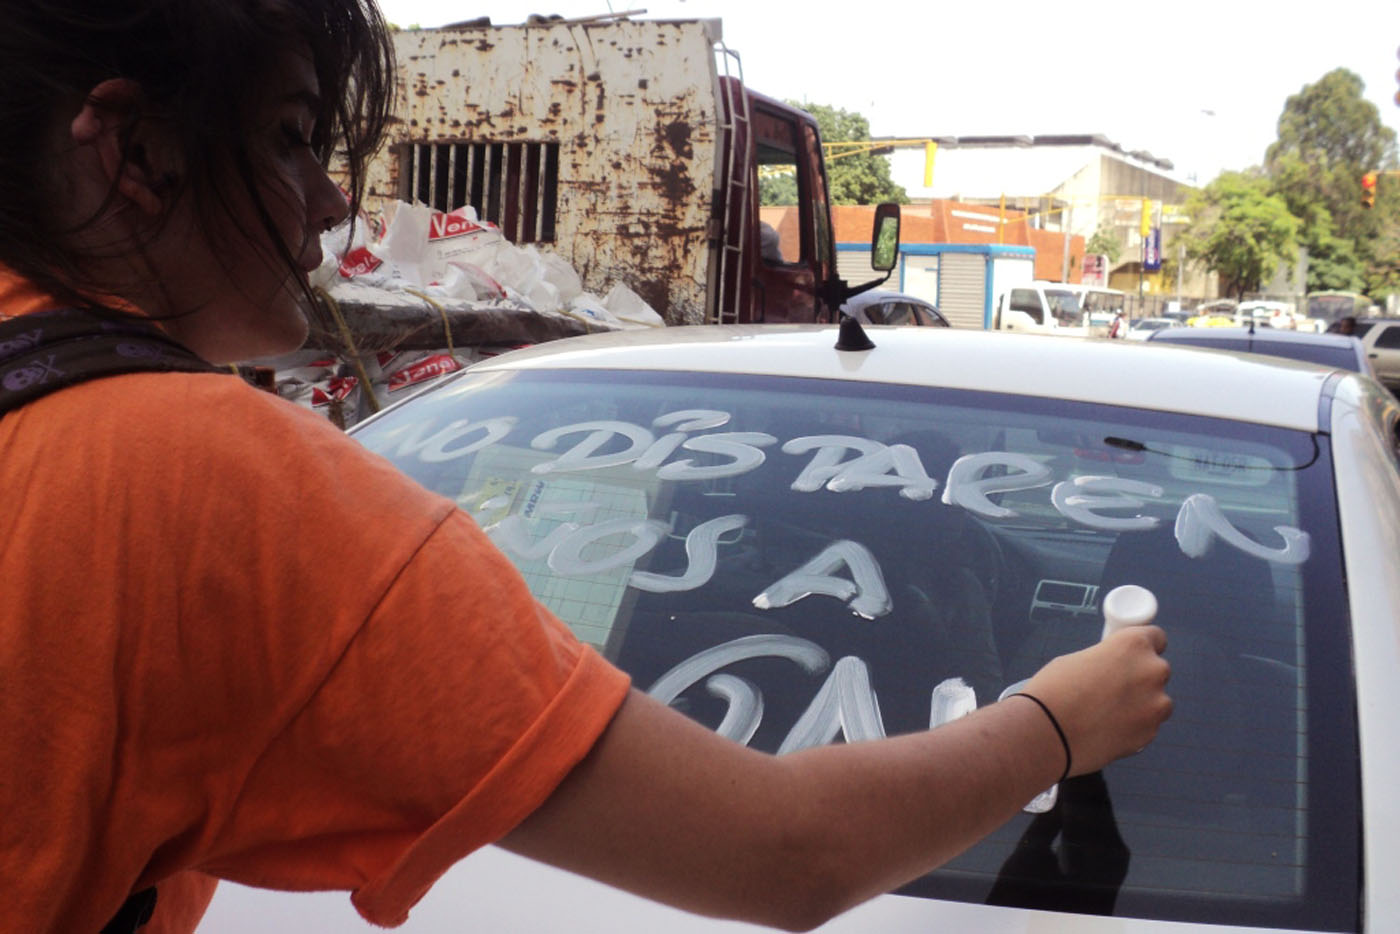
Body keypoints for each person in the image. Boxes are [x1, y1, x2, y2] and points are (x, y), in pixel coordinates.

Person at [0, 2, 1171, 931]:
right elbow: (785, 851)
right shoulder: (208, 485)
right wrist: (1058, 724)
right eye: (291, 138)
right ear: (137, 151)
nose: (334, 196)